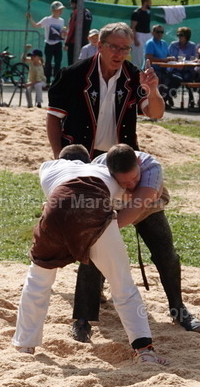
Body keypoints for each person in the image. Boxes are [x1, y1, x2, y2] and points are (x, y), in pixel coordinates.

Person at [47, 21, 200, 338]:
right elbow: (54, 119)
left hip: (127, 164)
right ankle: (83, 320)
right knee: (92, 246)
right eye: (114, 47)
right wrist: (63, 163)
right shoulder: (74, 75)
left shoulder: (134, 77)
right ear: (100, 46)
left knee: (163, 243)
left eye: (125, 48)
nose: (119, 53)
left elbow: (155, 112)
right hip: (89, 168)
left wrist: (154, 89)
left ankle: (178, 308)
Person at [13, 143, 168, 364]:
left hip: (56, 209)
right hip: (95, 210)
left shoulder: (47, 167)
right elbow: (131, 200)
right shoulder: (105, 171)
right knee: (122, 285)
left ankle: (25, 345)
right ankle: (144, 350)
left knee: (38, 279)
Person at [27, 1, 65, 84]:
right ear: (53, 10)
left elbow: (61, 33)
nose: (60, 11)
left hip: (58, 44)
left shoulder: (61, 21)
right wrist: (30, 19)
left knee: (58, 63)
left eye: (61, 10)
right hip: (49, 44)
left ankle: (56, 81)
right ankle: (47, 81)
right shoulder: (47, 19)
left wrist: (64, 36)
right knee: (48, 63)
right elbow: (36, 26)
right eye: (59, 9)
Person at [65, 0, 92, 66]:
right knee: (83, 63)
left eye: (72, 4)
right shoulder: (88, 13)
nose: (71, 6)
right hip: (85, 41)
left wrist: (67, 42)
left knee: (72, 63)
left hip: (74, 42)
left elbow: (72, 28)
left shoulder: (76, 12)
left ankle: (72, 76)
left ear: (75, 4)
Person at [131, 0, 152, 68]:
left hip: (148, 35)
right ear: (145, 2)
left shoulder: (148, 12)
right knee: (138, 56)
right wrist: (135, 39)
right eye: (149, 2)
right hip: (139, 35)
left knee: (147, 54)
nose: (151, 4)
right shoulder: (137, 13)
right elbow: (133, 27)